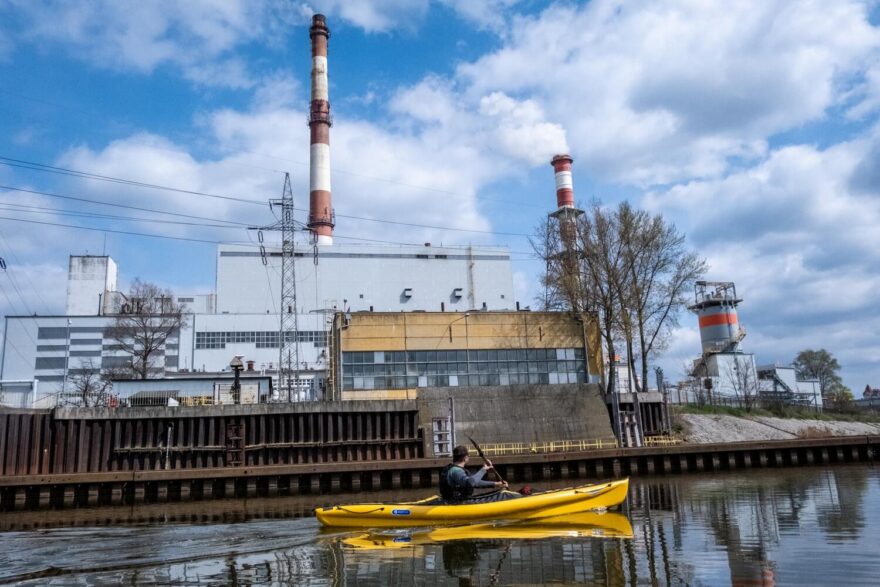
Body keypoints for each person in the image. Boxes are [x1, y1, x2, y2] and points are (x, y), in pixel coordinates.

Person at [440, 445, 508, 503]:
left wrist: (496, 484)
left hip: (459, 500)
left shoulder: (455, 469)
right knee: (503, 496)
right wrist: (483, 469)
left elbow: (475, 483)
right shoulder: (456, 471)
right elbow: (471, 483)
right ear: (465, 458)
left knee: (499, 493)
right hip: (457, 502)